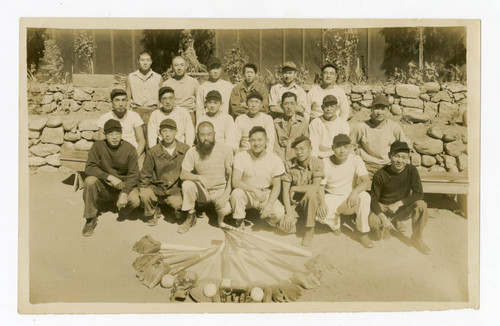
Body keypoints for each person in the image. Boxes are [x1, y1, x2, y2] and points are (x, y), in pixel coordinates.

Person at [369, 141, 430, 255]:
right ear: (389, 156)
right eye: (396, 156)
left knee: (421, 205)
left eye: (404, 157)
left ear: (408, 158)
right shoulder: (380, 174)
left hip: (401, 207)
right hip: (384, 207)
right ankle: (387, 225)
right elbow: (373, 199)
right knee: (374, 224)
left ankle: (417, 238)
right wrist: (383, 218)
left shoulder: (411, 170)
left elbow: (418, 193)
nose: (400, 161)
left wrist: (399, 203)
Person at [82, 119, 140, 237]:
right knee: (89, 181)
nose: (114, 137)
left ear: (121, 134)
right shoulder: (98, 146)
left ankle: (118, 207)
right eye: (111, 134)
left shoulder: (130, 149)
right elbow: (89, 167)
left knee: (135, 201)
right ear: (105, 135)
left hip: (123, 185)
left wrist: (124, 193)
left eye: (117, 133)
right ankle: (90, 218)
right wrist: (109, 177)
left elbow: (134, 175)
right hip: (106, 185)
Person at [230, 126, 289, 232]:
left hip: (265, 194)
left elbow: (276, 186)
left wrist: (269, 204)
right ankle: (239, 221)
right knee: (236, 193)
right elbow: (236, 181)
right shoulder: (241, 156)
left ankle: (266, 219)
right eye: (253, 140)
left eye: (260, 140)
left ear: (266, 141)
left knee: (278, 214)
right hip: (247, 192)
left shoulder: (275, 159)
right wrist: (254, 189)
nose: (256, 143)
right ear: (249, 142)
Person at [179, 122, 233, 233]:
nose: (206, 138)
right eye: (203, 135)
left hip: (220, 191)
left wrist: (226, 194)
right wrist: (199, 177)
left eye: (209, 134)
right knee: (187, 184)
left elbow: (231, 175)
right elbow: (183, 174)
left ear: (214, 134)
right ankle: (190, 217)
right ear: (197, 136)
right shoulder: (192, 151)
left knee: (225, 210)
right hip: (203, 191)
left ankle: (220, 215)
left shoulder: (225, 149)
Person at [321, 134, 373, 248]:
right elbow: (321, 186)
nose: (342, 150)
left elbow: (366, 182)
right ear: (332, 147)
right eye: (338, 146)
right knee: (319, 214)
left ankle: (362, 232)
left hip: (349, 197)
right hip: (331, 196)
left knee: (365, 197)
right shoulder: (325, 162)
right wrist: (322, 203)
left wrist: (354, 192)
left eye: (345, 147)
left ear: (350, 147)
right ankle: (335, 225)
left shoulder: (355, 159)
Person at [139, 119, 190, 226]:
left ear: (176, 132)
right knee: (144, 194)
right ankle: (152, 212)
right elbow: (145, 174)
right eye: (164, 131)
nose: (167, 135)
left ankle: (170, 208)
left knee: (178, 206)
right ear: (159, 133)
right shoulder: (153, 152)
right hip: (157, 189)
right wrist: (143, 190)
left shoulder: (185, 149)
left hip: (175, 189)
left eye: (170, 131)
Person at [281, 135, 328, 246]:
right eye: (296, 149)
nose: (299, 152)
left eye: (302, 148)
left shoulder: (317, 163)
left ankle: (309, 230)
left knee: (311, 194)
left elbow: (316, 187)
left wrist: (295, 188)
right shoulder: (288, 165)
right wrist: (288, 213)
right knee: (285, 228)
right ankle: (300, 220)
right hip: (295, 204)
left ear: (310, 149)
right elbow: (285, 191)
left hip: (311, 202)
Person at [350, 94, 409, 178]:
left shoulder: (394, 127)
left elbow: (403, 149)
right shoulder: (361, 127)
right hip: (366, 165)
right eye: (376, 108)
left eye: (383, 109)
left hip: (388, 166)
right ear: (371, 109)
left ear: (388, 110)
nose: (379, 112)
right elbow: (349, 147)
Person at [97, 88, 146, 168]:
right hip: (113, 153)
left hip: (133, 152)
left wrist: (135, 156)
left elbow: (141, 141)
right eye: (117, 100)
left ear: (127, 102)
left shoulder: (134, 116)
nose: (121, 104)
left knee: (140, 171)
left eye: (123, 100)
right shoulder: (104, 118)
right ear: (112, 102)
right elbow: (101, 143)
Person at [161, 56, 200, 123]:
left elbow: (199, 103)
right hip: (173, 114)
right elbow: (163, 104)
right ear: (172, 67)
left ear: (186, 66)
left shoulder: (193, 82)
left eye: (182, 65)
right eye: (176, 65)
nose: (179, 68)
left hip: (189, 114)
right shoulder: (166, 84)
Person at [273, 92, 309, 161]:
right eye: (286, 104)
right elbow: (275, 147)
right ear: (281, 106)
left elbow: (305, 145)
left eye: (292, 103)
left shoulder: (303, 123)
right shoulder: (275, 123)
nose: (289, 107)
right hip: (280, 159)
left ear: (296, 105)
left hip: (297, 159)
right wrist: (282, 161)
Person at [196, 57, 234, 121]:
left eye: (217, 68)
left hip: (224, 120)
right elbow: (199, 108)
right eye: (212, 68)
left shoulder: (228, 86)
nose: (215, 71)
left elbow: (232, 106)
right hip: (208, 120)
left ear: (221, 69)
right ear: (208, 70)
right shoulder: (202, 87)